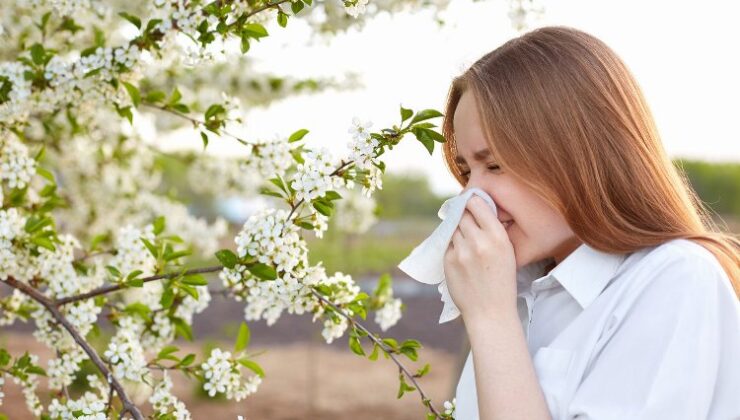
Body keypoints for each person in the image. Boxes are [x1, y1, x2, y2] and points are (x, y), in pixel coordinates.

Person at [440, 25, 740, 420]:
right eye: (466, 171)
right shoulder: (520, 289)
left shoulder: (674, 279)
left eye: (494, 165)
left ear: (579, 153)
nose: (471, 197)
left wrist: (491, 320)